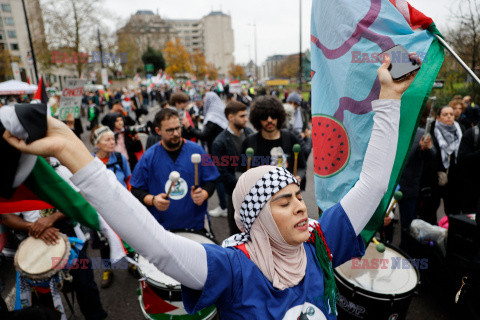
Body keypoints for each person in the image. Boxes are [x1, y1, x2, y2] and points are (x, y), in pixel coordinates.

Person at [3, 53, 418, 319]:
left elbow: (374, 181)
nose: (300, 208)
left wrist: (390, 95)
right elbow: (156, 245)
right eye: (283, 201)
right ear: (256, 218)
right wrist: (76, 155)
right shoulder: (233, 267)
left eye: (298, 198)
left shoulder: (320, 245)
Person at [1, 158, 107, 320]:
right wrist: (32, 227)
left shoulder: (61, 171)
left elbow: (81, 199)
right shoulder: (17, 180)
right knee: (44, 299)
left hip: (68, 236)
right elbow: (6, 216)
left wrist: (51, 218)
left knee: (85, 286)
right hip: (34, 240)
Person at [130, 108, 220, 232]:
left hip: (195, 225)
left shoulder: (197, 150)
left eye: (178, 128)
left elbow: (211, 180)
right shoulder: (148, 157)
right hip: (162, 229)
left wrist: (204, 194)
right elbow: (136, 190)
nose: (176, 133)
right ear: (158, 131)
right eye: (170, 130)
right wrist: (153, 200)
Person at [91, 126, 131, 287]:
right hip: (100, 209)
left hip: (121, 206)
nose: (112, 142)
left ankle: (132, 264)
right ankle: (107, 269)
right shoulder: (90, 162)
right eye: (107, 140)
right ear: (97, 144)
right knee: (104, 242)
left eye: (113, 139)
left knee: (129, 236)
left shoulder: (120, 158)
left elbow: (129, 180)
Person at [240, 95, 307, 189]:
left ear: (279, 116)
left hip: (286, 194)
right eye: (264, 117)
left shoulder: (290, 138)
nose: (269, 120)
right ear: (257, 118)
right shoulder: (249, 142)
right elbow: (240, 171)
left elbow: (301, 167)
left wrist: (298, 177)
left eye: (273, 115)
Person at [182, 92, 229, 217]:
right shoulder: (219, 112)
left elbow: (203, 135)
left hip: (216, 152)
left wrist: (189, 127)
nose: (203, 102)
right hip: (223, 150)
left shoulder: (212, 116)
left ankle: (224, 206)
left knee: (217, 178)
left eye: (205, 99)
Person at [211, 101, 253, 234]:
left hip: (255, 192)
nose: (246, 119)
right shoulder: (220, 142)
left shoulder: (249, 133)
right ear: (230, 117)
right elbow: (221, 171)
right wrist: (242, 186)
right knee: (237, 232)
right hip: (235, 194)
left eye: (246, 115)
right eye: (242, 116)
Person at [397, 128, 436, 249]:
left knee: (408, 225)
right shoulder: (386, 126)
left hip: (408, 187)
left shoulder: (421, 133)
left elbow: (432, 154)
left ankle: (406, 251)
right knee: (385, 221)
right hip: (385, 184)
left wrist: (426, 148)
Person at [431, 105, 464, 215]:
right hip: (438, 175)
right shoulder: (432, 131)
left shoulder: (461, 130)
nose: (449, 117)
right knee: (433, 207)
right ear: (438, 117)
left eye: (451, 114)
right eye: (445, 115)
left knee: (454, 209)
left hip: (456, 176)